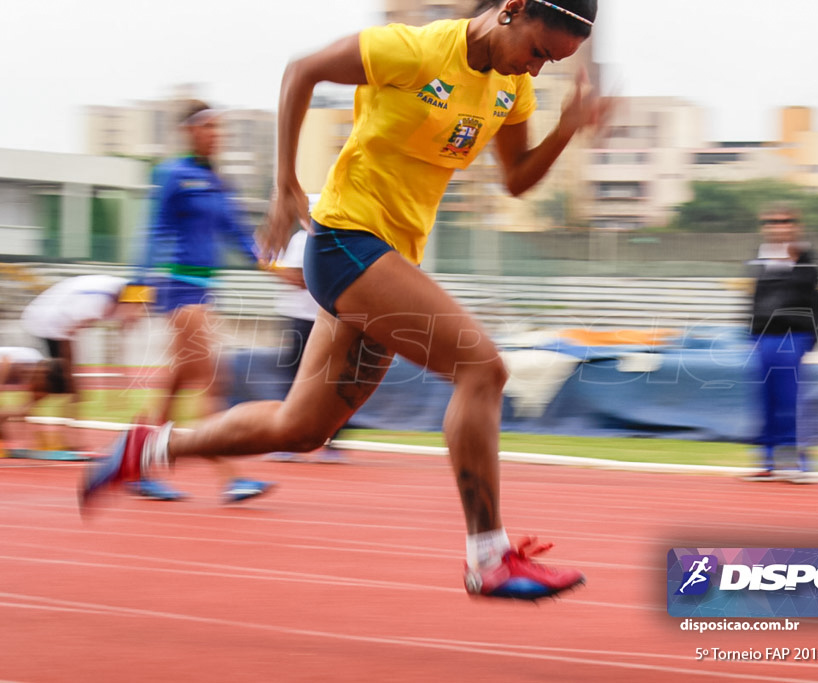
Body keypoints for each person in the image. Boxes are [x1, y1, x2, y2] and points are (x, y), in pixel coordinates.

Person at [83, 0, 607, 600]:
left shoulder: (512, 89)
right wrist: (285, 188)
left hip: (388, 260)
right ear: (512, 9)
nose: (537, 71)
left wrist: (567, 128)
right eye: (539, 51)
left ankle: (147, 447)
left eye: (553, 64)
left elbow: (516, 181)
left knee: (302, 428)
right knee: (482, 368)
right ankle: (488, 556)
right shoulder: (412, 49)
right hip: (346, 242)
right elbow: (301, 70)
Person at [132, 99, 275, 503]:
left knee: (177, 383)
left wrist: (278, 269)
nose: (217, 135)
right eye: (210, 127)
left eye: (220, 129)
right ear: (191, 131)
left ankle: (137, 464)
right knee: (211, 379)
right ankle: (229, 476)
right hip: (177, 286)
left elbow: (240, 236)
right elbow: (151, 233)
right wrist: (135, 290)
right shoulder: (172, 174)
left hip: (205, 290)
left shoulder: (217, 182)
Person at [18, 276, 147, 454]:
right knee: (62, 384)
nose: (136, 317)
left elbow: (119, 338)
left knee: (70, 386)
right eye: (135, 310)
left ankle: (66, 435)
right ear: (125, 302)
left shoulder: (128, 293)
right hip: (45, 321)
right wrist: (70, 376)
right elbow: (67, 339)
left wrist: (120, 379)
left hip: (62, 313)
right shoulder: (95, 303)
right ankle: (43, 427)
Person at [745, 203, 818, 482]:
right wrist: (751, 331)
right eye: (772, 222)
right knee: (766, 401)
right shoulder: (761, 258)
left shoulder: (806, 257)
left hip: (794, 336)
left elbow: (817, 301)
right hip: (764, 336)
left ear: (795, 225)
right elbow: (753, 297)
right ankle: (767, 461)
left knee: (793, 401)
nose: (778, 226)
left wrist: (814, 337)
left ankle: (803, 463)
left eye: (785, 221)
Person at [264, 222, 345, 463]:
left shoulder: (312, 238)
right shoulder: (305, 239)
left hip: (320, 318)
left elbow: (299, 279)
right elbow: (300, 278)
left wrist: (268, 266)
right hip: (305, 316)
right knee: (299, 377)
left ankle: (330, 440)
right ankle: (289, 437)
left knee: (324, 377)